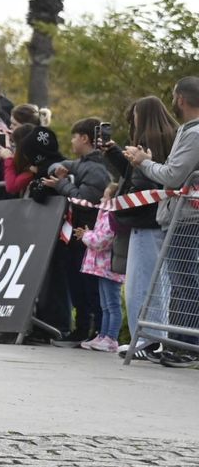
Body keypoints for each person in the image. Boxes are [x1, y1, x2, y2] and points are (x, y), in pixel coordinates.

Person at [123, 77, 199, 367]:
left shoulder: (193, 133)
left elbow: (173, 176)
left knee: (185, 282)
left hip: (188, 218)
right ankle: (180, 343)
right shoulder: (186, 130)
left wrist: (143, 161)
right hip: (181, 217)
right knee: (182, 282)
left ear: (180, 98)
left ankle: (187, 346)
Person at [101, 96, 177, 360]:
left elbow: (142, 180)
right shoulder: (172, 136)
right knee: (159, 285)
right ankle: (154, 340)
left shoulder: (149, 141)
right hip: (162, 219)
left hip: (146, 221)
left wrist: (126, 200)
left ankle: (145, 341)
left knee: (140, 285)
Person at [39, 118, 112, 343]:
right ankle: (82, 329)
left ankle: (93, 330)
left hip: (88, 234)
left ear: (84, 138)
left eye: (74, 137)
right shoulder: (83, 164)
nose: (71, 141)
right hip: (77, 233)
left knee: (88, 286)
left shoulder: (97, 169)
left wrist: (60, 184)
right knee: (77, 282)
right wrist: (57, 171)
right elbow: (62, 166)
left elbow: (84, 199)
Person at [78, 182, 123, 352]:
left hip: (110, 267)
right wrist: (90, 234)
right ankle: (103, 335)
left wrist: (86, 235)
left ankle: (111, 337)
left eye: (105, 196)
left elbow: (101, 241)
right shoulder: (104, 215)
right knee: (105, 304)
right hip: (102, 267)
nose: (101, 198)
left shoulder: (112, 217)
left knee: (112, 304)